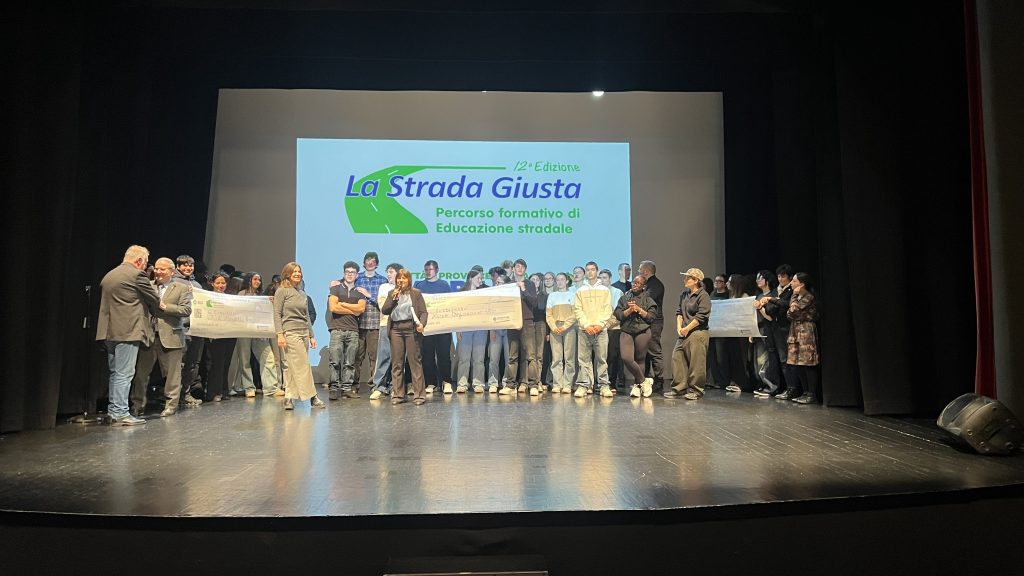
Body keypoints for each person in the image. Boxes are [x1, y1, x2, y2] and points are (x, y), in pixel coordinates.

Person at [96, 245, 161, 425]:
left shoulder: (110, 275)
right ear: (139, 261)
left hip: (109, 331)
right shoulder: (137, 275)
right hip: (128, 331)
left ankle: (113, 410)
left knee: (115, 373)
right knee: (124, 374)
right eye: (145, 263)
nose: (146, 266)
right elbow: (155, 299)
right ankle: (120, 413)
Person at [130, 257, 192, 417]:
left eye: (162, 269)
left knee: (172, 375)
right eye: (156, 268)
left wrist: (166, 307)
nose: (158, 271)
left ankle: (171, 405)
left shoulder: (181, 288)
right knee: (141, 374)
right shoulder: (148, 286)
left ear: (171, 271)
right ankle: (137, 405)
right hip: (148, 336)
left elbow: (186, 310)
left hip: (171, 336)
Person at [274, 262, 325, 410]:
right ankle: (313, 397)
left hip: (303, 333)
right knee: (303, 365)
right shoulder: (282, 291)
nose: (297, 274)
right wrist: (280, 334)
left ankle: (289, 397)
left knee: (292, 366)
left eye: (299, 271)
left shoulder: (302, 294)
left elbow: (306, 316)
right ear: (287, 274)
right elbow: (277, 314)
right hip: (290, 332)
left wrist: (311, 335)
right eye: (294, 271)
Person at [381, 268, 429, 405]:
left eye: (404, 278)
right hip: (396, 329)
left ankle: (419, 395)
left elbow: (423, 312)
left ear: (409, 280)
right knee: (397, 363)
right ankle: (398, 395)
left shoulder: (416, 293)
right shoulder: (392, 293)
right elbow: (385, 310)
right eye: (399, 278)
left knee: (415, 362)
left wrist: (422, 324)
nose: (401, 280)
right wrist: (393, 298)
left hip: (411, 328)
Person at [663, 268, 712, 400]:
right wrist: (679, 327)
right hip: (684, 332)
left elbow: (701, 316)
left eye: (688, 278)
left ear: (696, 280)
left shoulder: (703, 295)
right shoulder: (684, 294)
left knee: (697, 362)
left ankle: (696, 390)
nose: (685, 280)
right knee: (677, 357)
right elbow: (679, 312)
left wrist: (687, 328)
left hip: (697, 332)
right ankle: (679, 388)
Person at [327, 261, 366, 400]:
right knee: (335, 361)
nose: (350, 274)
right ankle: (334, 388)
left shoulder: (360, 292)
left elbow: (361, 309)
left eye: (352, 272)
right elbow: (333, 307)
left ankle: (347, 389)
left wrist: (342, 304)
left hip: (353, 330)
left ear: (357, 275)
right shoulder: (336, 289)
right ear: (344, 273)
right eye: (347, 272)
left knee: (350, 362)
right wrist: (352, 309)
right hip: (337, 329)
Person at [614, 275, 658, 398]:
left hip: (642, 331)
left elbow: (651, 317)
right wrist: (629, 310)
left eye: (638, 283)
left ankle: (637, 386)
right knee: (626, 358)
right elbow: (618, 314)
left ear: (643, 286)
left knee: (640, 359)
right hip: (627, 330)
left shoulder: (648, 299)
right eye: (634, 282)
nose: (635, 285)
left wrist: (638, 309)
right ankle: (644, 381)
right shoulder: (625, 298)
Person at [573, 262, 614, 398]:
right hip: (585, 330)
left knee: (602, 359)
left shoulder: (604, 290)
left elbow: (607, 309)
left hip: (600, 330)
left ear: (597, 271)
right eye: (588, 270)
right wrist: (586, 325)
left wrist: (600, 325)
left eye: (592, 269)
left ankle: (604, 385)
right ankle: (584, 385)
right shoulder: (580, 290)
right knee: (584, 360)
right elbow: (577, 310)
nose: (590, 272)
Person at [501, 258, 541, 396]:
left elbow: (534, 302)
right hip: (512, 322)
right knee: (512, 356)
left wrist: (523, 290)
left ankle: (533, 384)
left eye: (522, 267)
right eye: (517, 266)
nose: (520, 268)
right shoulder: (508, 285)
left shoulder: (529, 284)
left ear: (525, 270)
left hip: (527, 322)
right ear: (513, 269)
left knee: (531, 356)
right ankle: (510, 385)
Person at [757, 264, 796, 398]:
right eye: (779, 276)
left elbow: (785, 304)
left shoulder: (791, 291)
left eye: (783, 276)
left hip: (786, 328)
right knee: (779, 360)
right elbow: (770, 310)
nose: (780, 279)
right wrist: (773, 302)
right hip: (775, 329)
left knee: (787, 360)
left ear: (790, 277)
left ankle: (792, 388)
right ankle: (783, 388)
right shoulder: (776, 291)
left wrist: (772, 300)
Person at [414, 260, 452, 394]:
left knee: (444, 355)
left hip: (443, 326)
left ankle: (446, 381)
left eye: (430, 269)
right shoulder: (419, 285)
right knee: (427, 356)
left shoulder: (444, 285)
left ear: (437, 270)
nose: (428, 272)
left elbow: (449, 304)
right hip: (426, 326)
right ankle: (431, 383)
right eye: (426, 270)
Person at [172, 254, 205, 406]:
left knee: (192, 365)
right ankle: (174, 396)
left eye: (190, 265)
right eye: (184, 265)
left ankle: (185, 393)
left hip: (196, 329)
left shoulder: (197, 285)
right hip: (180, 329)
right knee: (179, 364)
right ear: (178, 266)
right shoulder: (172, 282)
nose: (188, 268)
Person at [354, 251, 386, 393]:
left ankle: (376, 386)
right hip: (358, 324)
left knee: (374, 357)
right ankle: (353, 386)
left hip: (374, 324)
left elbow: (384, 303)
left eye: (373, 261)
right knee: (357, 357)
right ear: (364, 263)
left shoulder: (382, 280)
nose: (370, 263)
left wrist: (368, 295)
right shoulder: (357, 278)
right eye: (368, 260)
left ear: (377, 264)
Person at [786, 272, 820, 404]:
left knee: (807, 363)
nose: (791, 283)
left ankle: (811, 394)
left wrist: (794, 296)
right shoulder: (797, 297)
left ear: (802, 284)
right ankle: (804, 392)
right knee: (797, 363)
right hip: (795, 331)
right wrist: (793, 304)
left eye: (794, 281)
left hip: (806, 332)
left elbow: (794, 311)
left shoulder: (808, 297)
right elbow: (789, 314)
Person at [369, 263, 401, 400]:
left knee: (398, 358)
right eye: (387, 272)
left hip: (400, 326)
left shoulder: (405, 288)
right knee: (384, 356)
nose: (388, 274)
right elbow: (383, 306)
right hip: (385, 324)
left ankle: (395, 387)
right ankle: (379, 387)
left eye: (391, 272)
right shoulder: (384, 287)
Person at [205, 272, 237, 402]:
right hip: (215, 335)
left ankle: (224, 390)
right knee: (217, 364)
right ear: (212, 283)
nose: (220, 285)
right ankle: (214, 392)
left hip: (229, 335)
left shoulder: (231, 298)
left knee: (226, 363)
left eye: (223, 283)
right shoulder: (207, 297)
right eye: (217, 283)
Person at [751, 270, 783, 397]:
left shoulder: (773, 295)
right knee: (758, 361)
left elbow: (770, 317)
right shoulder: (758, 295)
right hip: (758, 330)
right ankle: (763, 384)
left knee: (766, 360)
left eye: (760, 278)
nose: (757, 280)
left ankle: (771, 386)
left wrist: (760, 307)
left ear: (767, 280)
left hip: (769, 330)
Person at [455, 270, 487, 393]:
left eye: (481, 278)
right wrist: (458, 329)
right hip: (465, 328)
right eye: (478, 278)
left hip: (480, 328)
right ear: (470, 278)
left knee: (479, 358)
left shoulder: (483, 293)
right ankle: (462, 383)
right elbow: (457, 312)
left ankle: (478, 383)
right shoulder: (461, 293)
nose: (480, 280)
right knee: (464, 358)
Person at [545, 272, 577, 393]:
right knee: (556, 358)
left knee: (569, 357)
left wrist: (565, 326)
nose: (560, 282)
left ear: (567, 281)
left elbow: (575, 314)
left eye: (562, 279)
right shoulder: (552, 296)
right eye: (557, 280)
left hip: (569, 327)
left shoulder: (572, 295)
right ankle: (557, 384)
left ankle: (568, 384)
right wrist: (554, 327)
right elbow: (548, 315)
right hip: (555, 328)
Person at [637, 260, 666, 392]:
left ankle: (659, 380)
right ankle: (647, 379)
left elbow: (645, 300)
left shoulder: (655, 285)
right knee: (646, 351)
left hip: (654, 322)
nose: (638, 271)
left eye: (639, 269)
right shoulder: (649, 284)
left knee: (654, 350)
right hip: (647, 321)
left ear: (646, 271)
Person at [600, 268, 625, 391]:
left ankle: (612, 382)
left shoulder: (616, 292)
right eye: (600, 278)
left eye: (604, 278)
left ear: (610, 278)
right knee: (601, 357)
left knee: (612, 356)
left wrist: (606, 324)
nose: (602, 280)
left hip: (613, 328)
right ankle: (600, 382)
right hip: (599, 328)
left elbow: (617, 312)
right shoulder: (598, 292)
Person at [487, 274, 511, 393]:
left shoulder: (512, 296)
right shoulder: (492, 297)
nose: (496, 284)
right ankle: (493, 382)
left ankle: (506, 382)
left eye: (499, 282)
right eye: (496, 282)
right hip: (496, 329)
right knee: (493, 358)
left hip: (509, 330)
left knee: (508, 359)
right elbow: (490, 314)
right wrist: (492, 329)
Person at [706, 274, 731, 390]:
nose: (716, 282)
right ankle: (715, 380)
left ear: (725, 284)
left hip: (723, 329)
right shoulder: (712, 294)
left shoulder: (728, 295)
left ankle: (724, 381)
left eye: (719, 281)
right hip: (712, 328)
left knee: (721, 357)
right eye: (715, 281)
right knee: (712, 356)